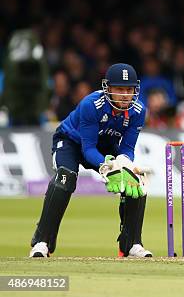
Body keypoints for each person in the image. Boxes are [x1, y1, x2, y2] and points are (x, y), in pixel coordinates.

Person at [29, 63, 151, 258]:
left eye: (129, 89)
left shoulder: (138, 111)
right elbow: (88, 149)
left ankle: (131, 244)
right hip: (71, 142)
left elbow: (127, 148)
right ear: (108, 89)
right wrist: (109, 167)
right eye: (119, 89)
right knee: (65, 178)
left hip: (104, 146)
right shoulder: (91, 105)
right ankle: (41, 241)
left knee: (134, 181)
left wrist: (123, 165)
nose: (125, 95)